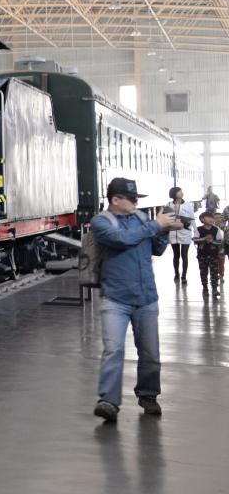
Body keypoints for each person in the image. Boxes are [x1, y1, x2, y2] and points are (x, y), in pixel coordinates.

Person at [90, 177, 178, 422]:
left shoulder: (141, 219)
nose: (136, 203)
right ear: (115, 200)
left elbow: (156, 249)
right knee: (113, 350)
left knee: (150, 353)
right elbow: (122, 239)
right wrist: (155, 225)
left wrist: (164, 230)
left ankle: (148, 395)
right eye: (131, 199)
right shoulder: (101, 222)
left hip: (146, 297)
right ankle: (108, 401)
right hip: (115, 298)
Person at [167, 187, 194, 284]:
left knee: (184, 255)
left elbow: (192, 218)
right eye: (179, 192)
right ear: (174, 194)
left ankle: (184, 276)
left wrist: (196, 232)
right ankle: (176, 274)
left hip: (185, 232)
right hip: (173, 233)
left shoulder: (188, 205)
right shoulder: (168, 205)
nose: (182, 193)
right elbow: (166, 218)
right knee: (176, 255)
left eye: (182, 191)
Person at [194, 211, 224, 297]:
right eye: (208, 217)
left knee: (214, 272)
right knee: (203, 272)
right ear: (202, 219)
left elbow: (219, 242)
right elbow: (195, 240)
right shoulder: (198, 229)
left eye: (212, 218)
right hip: (202, 255)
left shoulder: (216, 229)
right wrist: (204, 239)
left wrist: (212, 241)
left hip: (213, 255)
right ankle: (205, 288)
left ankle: (214, 289)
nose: (211, 219)